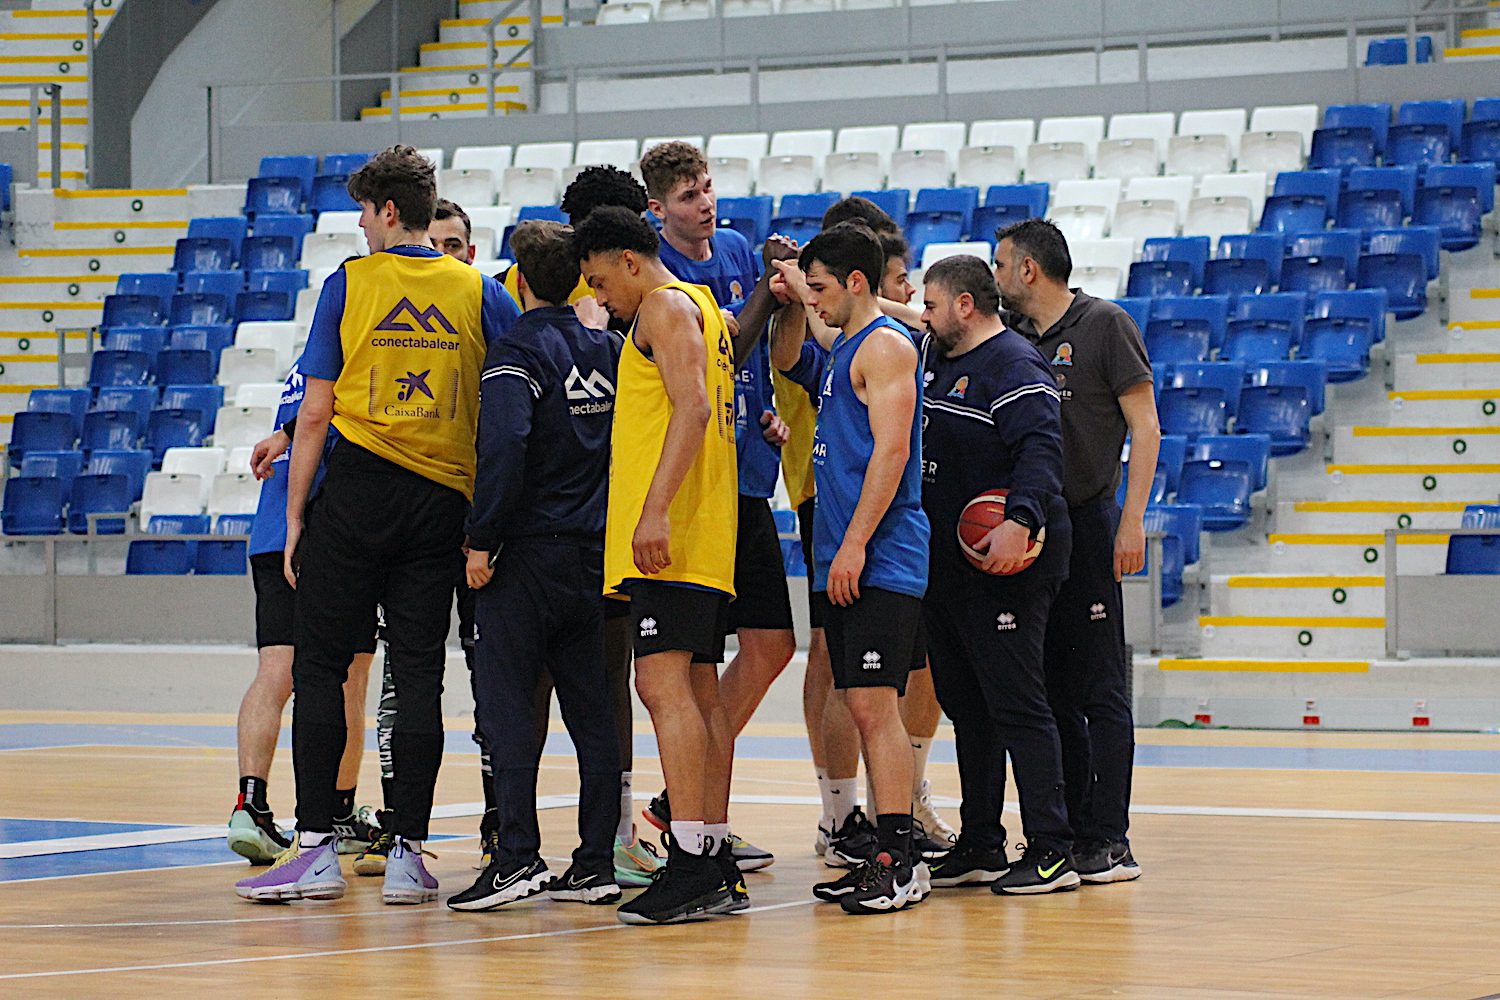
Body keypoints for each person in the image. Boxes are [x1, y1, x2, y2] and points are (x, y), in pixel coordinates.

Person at [233, 144, 520, 905]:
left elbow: (317, 410)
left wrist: (295, 518)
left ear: (388, 211)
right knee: (419, 675)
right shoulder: (479, 291)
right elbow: (510, 403)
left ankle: (319, 847)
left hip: (356, 496)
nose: (362, 225)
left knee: (322, 670)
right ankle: (410, 856)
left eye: (365, 211)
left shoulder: (349, 284)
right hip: (441, 506)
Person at [447, 220, 625, 910]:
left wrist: (482, 540)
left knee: (509, 707)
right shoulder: (609, 348)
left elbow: (505, 448)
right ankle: (595, 861)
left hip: (525, 557)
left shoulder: (514, 350)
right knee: (593, 712)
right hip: (592, 554)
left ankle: (517, 857)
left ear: (517, 281)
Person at [575, 205, 743, 925]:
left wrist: (653, 510)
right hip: (701, 536)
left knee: (661, 684)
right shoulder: (701, 307)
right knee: (698, 692)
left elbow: (694, 410)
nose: (598, 296)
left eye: (599, 278)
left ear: (630, 261)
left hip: (674, 535)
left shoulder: (667, 309)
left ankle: (692, 862)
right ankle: (709, 857)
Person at [634, 141, 790, 873]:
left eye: (707, 187)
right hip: (699, 486)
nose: (707, 202)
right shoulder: (665, 279)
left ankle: (686, 799)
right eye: (690, 194)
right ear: (657, 208)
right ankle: (702, 817)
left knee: (772, 644)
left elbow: (757, 360)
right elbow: (726, 340)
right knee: (695, 668)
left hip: (749, 468)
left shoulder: (731, 246)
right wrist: (767, 289)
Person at [769, 222, 931, 914]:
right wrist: (792, 292)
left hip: (880, 556)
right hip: (843, 553)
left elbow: (892, 454)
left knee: (873, 704)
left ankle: (899, 860)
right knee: (863, 705)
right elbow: (789, 354)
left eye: (825, 289)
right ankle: (886, 855)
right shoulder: (846, 347)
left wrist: (858, 544)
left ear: (857, 283)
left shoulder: (887, 348)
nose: (818, 303)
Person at [992, 218, 1157, 885]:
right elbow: (934, 309)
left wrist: (1132, 520)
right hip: (1039, 529)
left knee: (1101, 685)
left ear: (1030, 269)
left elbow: (1144, 427)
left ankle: (1110, 836)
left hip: (1091, 520)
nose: (996, 275)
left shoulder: (1104, 325)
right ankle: (1068, 830)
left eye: (1002, 264)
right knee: (1051, 683)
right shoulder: (1014, 335)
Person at [915, 254, 1079, 895]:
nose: (922, 316)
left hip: (1009, 559)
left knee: (1017, 704)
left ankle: (1052, 847)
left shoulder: (1012, 362)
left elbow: (1042, 449)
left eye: (931, 305)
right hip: (950, 565)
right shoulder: (939, 353)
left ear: (963, 306)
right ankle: (981, 841)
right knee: (968, 707)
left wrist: (1021, 519)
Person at [356, 196, 501, 879]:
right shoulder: (383, 304)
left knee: (492, 678)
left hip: (475, 521)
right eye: (435, 241)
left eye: (456, 244)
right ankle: (397, 827)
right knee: (405, 679)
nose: (444, 254)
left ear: (471, 252)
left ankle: (502, 826)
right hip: (412, 516)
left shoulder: (484, 303)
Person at [228, 364, 380, 865]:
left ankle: (250, 805)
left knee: (274, 672)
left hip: (269, 533)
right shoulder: (360, 355)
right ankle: (337, 811)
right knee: (349, 678)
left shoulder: (304, 365)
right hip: (323, 534)